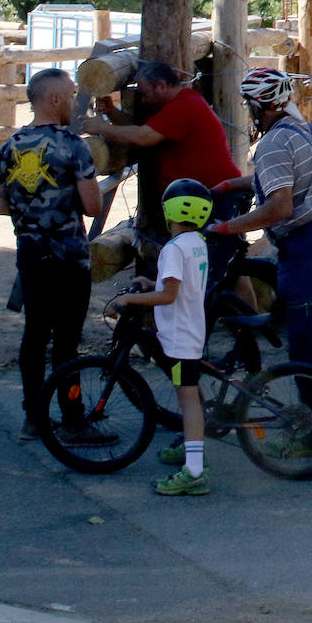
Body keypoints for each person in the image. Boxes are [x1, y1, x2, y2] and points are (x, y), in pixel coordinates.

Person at [205, 68, 312, 454]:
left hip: (311, 243)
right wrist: (232, 183)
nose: (248, 111)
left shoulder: (271, 143)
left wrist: (227, 227)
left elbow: (279, 205)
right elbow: (281, 179)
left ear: (261, 105)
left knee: (304, 343)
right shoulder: (301, 128)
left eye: (250, 105)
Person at [0, 68, 110, 444]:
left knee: (34, 336)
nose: (77, 102)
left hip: (30, 255)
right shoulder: (73, 146)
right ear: (55, 99)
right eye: (73, 94)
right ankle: (73, 418)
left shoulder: (8, 147)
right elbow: (92, 206)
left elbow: (0, 205)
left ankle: (33, 416)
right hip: (69, 258)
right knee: (67, 344)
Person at [81, 60, 246, 277]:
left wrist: (101, 127)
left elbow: (143, 137)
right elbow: (140, 130)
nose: (142, 98)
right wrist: (111, 113)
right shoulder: (178, 104)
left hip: (214, 197)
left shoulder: (182, 106)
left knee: (222, 266)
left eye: (144, 92)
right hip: (207, 195)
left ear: (161, 86)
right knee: (225, 265)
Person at [107, 178, 213, 496]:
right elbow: (181, 286)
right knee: (189, 398)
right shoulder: (196, 243)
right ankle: (191, 450)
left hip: (180, 337)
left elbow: (168, 296)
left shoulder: (172, 249)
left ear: (169, 211)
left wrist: (128, 299)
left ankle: (194, 471)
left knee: (188, 401)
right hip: (191, 329)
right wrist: (148, 282)